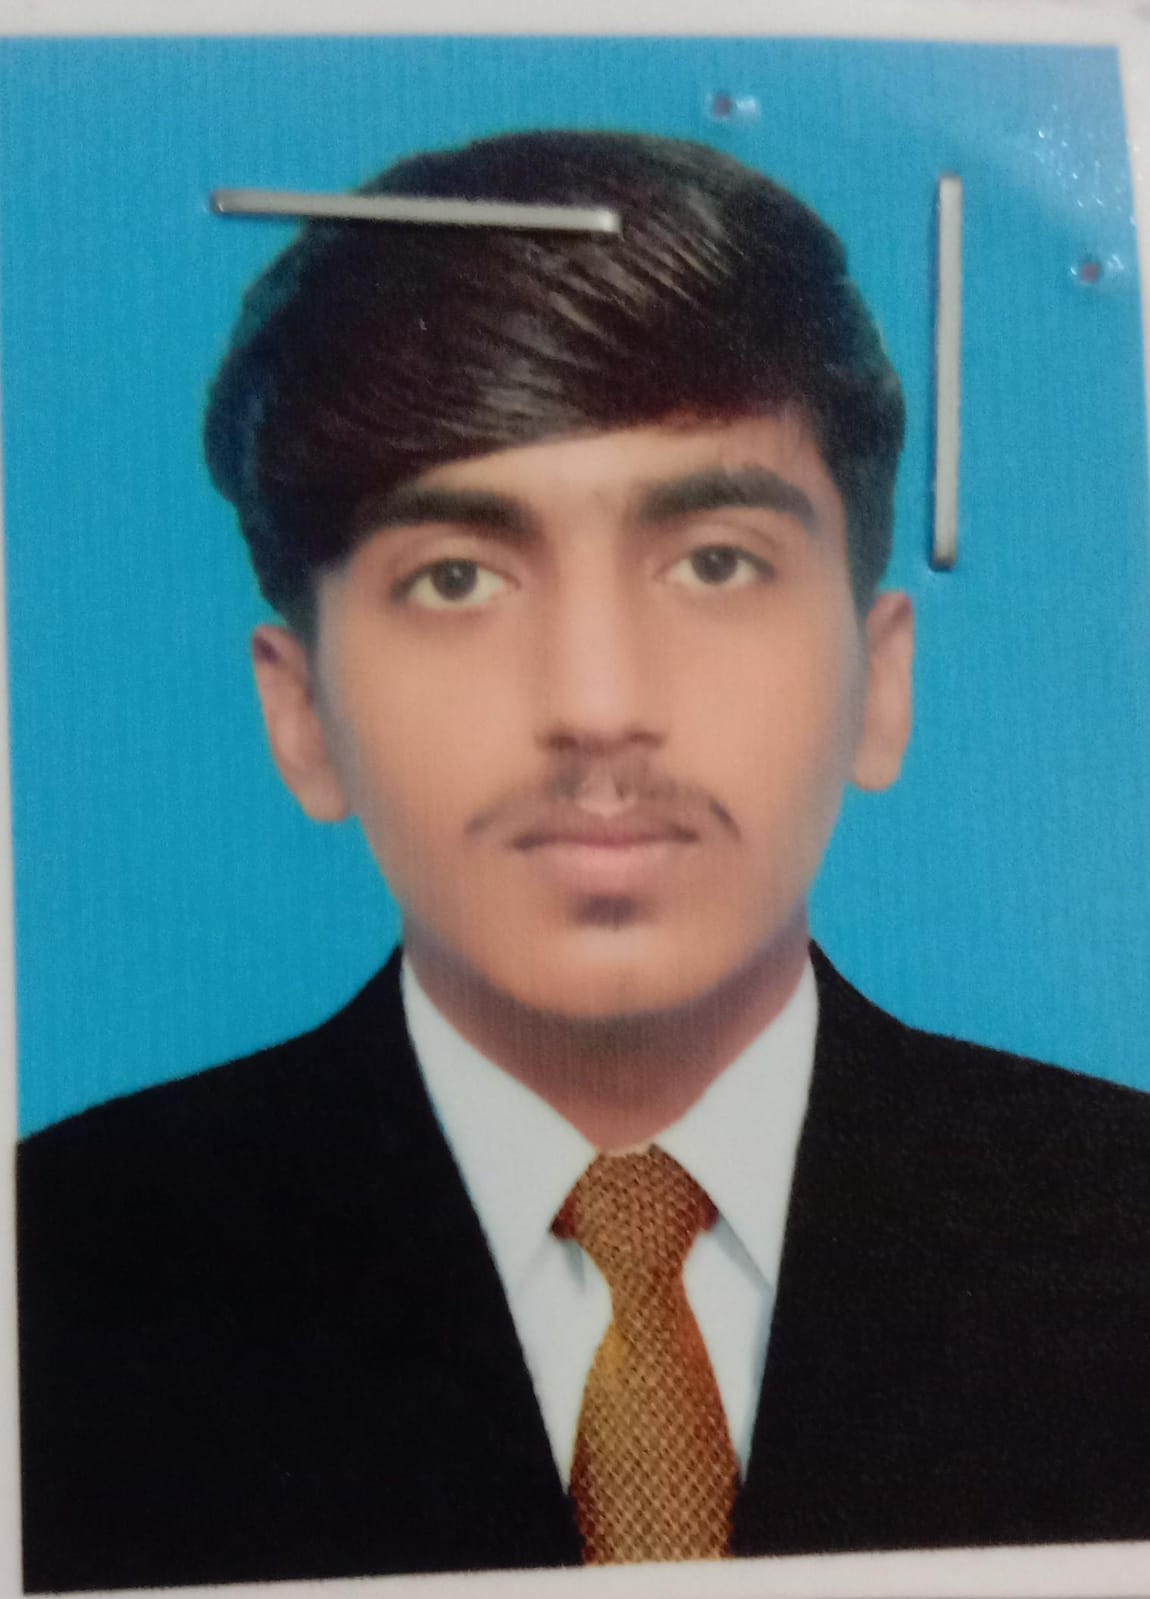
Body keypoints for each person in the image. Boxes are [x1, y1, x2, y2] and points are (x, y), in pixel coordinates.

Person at [16, 129, 1150, 1594]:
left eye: (715, 562)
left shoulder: (1117, 1226)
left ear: (880, 682)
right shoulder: (50, 1275)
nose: (598, 703)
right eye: (456, 578)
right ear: (299, 716)